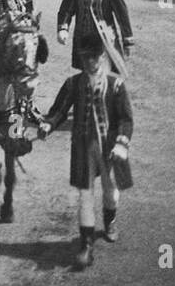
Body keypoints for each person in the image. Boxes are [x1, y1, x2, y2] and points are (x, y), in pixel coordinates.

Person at [39, 42, 133, 271]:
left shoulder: (116, 84)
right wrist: (49, 125)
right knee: (85, 194)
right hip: (82, 146)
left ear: (102, 57)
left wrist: (122, 143)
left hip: (110, 147)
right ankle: (86, 244)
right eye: (86, 58)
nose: (90, 62)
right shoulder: (73, 83)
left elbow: (126, 119)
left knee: (111, 190)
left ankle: (110, 221)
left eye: (94, 57)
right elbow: (59, 110)